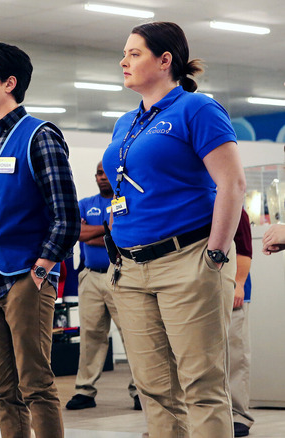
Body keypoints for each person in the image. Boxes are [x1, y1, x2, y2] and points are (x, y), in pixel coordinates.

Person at [101, 22, 245, 437]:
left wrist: (216, 254)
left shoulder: (197, 109)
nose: (123, 61)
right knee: (154, 389)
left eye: (134, 53)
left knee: (201, 386)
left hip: (188, 259)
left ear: (166, 61)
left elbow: (232, 184)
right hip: (131, 268)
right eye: (124, 53)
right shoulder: (125, 122)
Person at [0, 41, 81, 437]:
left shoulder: (39, 136)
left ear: (9, 83)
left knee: (36, 384)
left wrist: (40, 270)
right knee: (2, 388)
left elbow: (66, 216)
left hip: (23, 279)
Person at [65, 162, 139, 411]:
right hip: (90, 277)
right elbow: (77, 233)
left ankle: (140, 390)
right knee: (90, 336)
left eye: (105, 172)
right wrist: (108, 229)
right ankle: (85, 391)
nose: (102, 177)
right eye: (98, 173)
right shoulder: (85, 203)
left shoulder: (124, 200)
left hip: (121, 273)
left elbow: (120, 238)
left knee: (133, 334)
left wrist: (100, 234)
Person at [230, 209, 253, 437]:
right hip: (201, 290)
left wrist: (239, 284)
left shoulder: (232, 203)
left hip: (233, 290)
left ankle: (239, 415)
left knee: (235, 355)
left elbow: (244, 248)